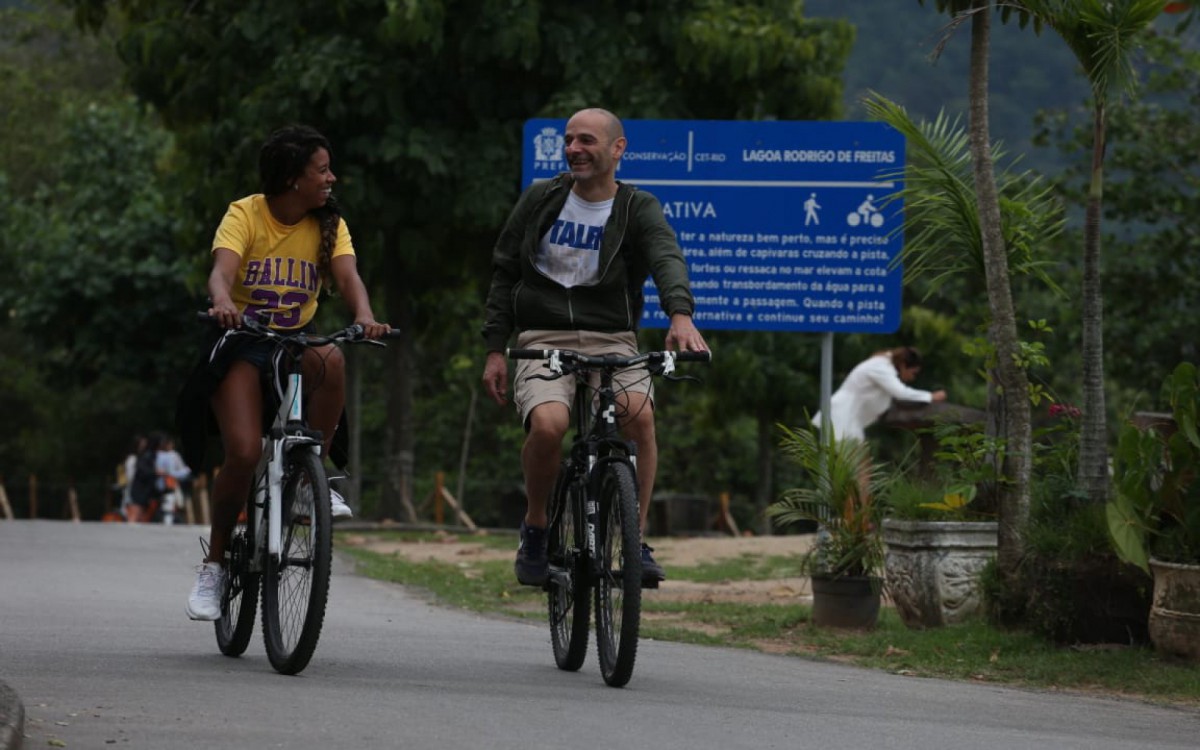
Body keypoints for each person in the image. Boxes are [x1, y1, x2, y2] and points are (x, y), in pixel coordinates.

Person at [481, 107, 709, 587]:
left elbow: (665, 255)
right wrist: (495, 349)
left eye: (586, 140)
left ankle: (634, 538)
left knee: (639, 416)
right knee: (549, 425)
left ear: (617, 149)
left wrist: (680, 314)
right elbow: (504, 270)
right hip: (542, 336)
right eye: (569, 140)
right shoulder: (542, 198)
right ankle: (538, 526)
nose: (574, 149)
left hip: (613, 337)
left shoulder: (636, 207)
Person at [178, 124, 389, 622]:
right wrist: (224, 301)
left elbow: (348, 276)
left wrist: (364, 317)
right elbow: (220, 272)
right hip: (243, 342)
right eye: (322, 170)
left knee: (331, 358)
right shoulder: (245, 213)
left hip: (294, 342)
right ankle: (214, 566)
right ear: (294, 179)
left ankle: (308, 474)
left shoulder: (330, 224)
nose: (331, 178)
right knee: (245, 451)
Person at [814, 346, 947, 443]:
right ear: (903, 365)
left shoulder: (884, 367)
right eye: (913, 373)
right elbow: (900, 392)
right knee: (859, 466)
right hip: (843, 417)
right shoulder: (881, 367)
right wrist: (930, 396)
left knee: (856, 467)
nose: (913, 378)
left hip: (850, 418)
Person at [155, 434, 192, 526]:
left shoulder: (157, 455)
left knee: (168, 505)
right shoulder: (173, 455)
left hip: (162, 485)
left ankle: (167, 522)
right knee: (169, 504)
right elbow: (182, 472)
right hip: (168, 484)